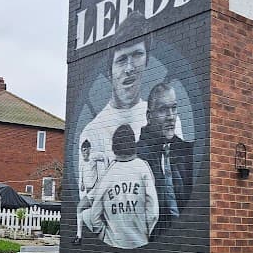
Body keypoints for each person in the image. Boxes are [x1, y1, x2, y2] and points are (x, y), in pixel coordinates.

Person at [78, 11, 183, 181]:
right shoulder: (92, 132)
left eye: (137, 55)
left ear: (147, 60)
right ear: (109, 71)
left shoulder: (167, 119)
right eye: (121, 59)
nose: (129, 68)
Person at [137, 80, 193, 238]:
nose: (171, 117)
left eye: (174, 108)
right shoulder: (137, 158)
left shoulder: (187, 152)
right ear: (149, 116)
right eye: (163, 110)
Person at [90, 124, 159, 249]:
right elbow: (153, 212)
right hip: (141, 242)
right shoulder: (143, 168)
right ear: (133, 144)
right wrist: (146, 233)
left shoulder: (107, 175)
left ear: (114, 147)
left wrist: (106, 237)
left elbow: (94, 216)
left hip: (113, 245)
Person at [73, 139, 105, 246]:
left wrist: (107, 170)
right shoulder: (83, 162)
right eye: (82, 150)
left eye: (86, 150)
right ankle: (79, 236)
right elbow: (82, 174)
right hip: (89, 192)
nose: (84, 152)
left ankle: (80, 236)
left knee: (85, 210)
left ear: (89, 150)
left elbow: (104, 157)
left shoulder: (93, 157)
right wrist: (82, 183)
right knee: (83, 209)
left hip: (95, 192)